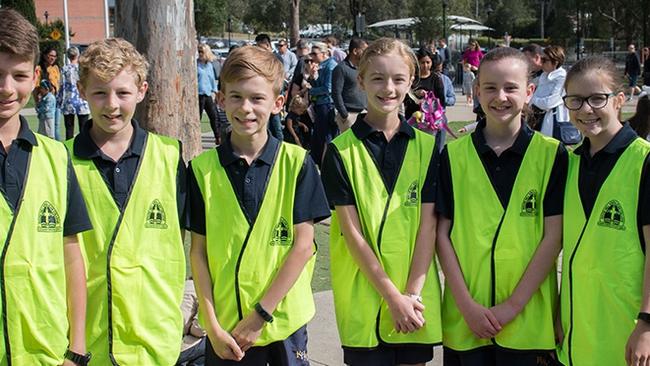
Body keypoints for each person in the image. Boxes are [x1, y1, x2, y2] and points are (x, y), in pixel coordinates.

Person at [188, 45, 330, 365]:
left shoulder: (297, 163)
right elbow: (198, 252)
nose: (246, 108)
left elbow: (303, 247)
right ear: (221, 100)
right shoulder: (202, 170)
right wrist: (211, 326)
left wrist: (259, 316)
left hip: (284, 324)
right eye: (236, 97)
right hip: (226, 328)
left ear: (278, 104)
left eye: (257, 98)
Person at [436, 47, 567, 366]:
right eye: (491, 88)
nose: (501, 97)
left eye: (511, 87)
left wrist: (513, 306)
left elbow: (554, 237)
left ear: (529, 92)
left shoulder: (553, 155)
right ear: (476, 91)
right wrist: (466, 306)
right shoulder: (453, 156)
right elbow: (442, 235)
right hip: (466, 321)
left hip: (528, 322)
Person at [321, 37, 442, 366]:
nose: (388, 88)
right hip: (365, 298)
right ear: (360, 81)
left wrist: (411, 297)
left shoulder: (429, 148)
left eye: (398, 79)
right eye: (377, 78)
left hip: (415, 298)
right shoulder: (339, 151)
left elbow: (428, 227)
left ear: (411, 82)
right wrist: (393, 297)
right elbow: (352, 233)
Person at [69, 37, 187, 365]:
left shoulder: (169, 156)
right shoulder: (60, 160)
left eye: (122, 92)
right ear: (81, 91)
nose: (111, 105)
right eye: (99, 93)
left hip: (155, 339)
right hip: (87, 341)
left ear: (142, 90)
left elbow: (181, 240)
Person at [0, 8, 90, 365]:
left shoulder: (55, 158)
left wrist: (77, 349)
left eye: (19, 75)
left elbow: (72, 257)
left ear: (36, 76)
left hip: (48, 352)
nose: (6, 88)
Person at [557, 55, 650, 366]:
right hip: (576, 336)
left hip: (626, 335)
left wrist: (646, 326)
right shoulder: (569, 164)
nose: (586, 109)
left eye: (597, 98)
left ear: (619, 100)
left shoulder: (643, 161)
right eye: (576, 100)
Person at [530, 45, 571, 138]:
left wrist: (533, 99)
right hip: (539, 119)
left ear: (555, 62)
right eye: (541, 59)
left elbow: (549, 103)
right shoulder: (543, 76)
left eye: (545, 60)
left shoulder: (562, 77)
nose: (541, 63)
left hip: (556, 120)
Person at [308, 41, 338, 166]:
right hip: (321, 104)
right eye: (311, 54)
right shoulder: (321, 66)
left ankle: (327, 163)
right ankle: (319, 161)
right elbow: (318, 85)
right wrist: (312, 76)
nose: (312, 57)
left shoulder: (330, 66)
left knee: (326, 135)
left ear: (324, 53)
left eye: (314, 54)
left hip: (327, 105)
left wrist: (311, 91)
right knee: (319, 135)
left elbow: (328, 89)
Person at [332, 36, 368, 133]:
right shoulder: (341, 69)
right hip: (350, 115)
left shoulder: (362, 69)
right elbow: (336, 93)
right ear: (355, 51)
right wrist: (344, 114)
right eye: (364, 50)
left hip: (364, 114)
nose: (366, 54)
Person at [404, 48, 446, 119]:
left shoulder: (436, 79)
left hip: (430, 119)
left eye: (428, 62)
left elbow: (441, 100)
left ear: (432, 62)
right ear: (417, 63)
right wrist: (415, 93)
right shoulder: (412, 78)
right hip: (412, 117)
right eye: (422, 62)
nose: (425, 65)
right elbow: (404, 98)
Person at [60, 46, 90, 139]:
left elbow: (62, 86)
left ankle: (69, 148)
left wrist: (59, 101)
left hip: (69, 101)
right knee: (84, 127)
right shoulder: (82, 69)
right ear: (78, 55)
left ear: (68, 56)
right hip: (82, 100)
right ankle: (84, 147)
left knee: (69, 128)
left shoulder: (64, 69)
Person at [35, 46, 62, 140]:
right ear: (45, 56)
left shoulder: (55, 68)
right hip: (46, 102)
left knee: (56, 126)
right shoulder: (39, 69)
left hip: (56, 100)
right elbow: (36, 86)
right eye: (50, 55)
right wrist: (37, 101)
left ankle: (58, 147)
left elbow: (58, 83)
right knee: (47, 127)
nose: (52, 58)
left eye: (55, 56)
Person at [197, 44, 222, 145]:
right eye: (199, 51)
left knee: (214, 116)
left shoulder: (209, 65)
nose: (200, 54)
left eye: (202, 52)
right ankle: (196, 137)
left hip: (207, 94)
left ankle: (218, 136)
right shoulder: (195, 64)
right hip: (198, 95)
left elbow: (212, 79)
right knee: (198, 118)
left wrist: (216, 92)